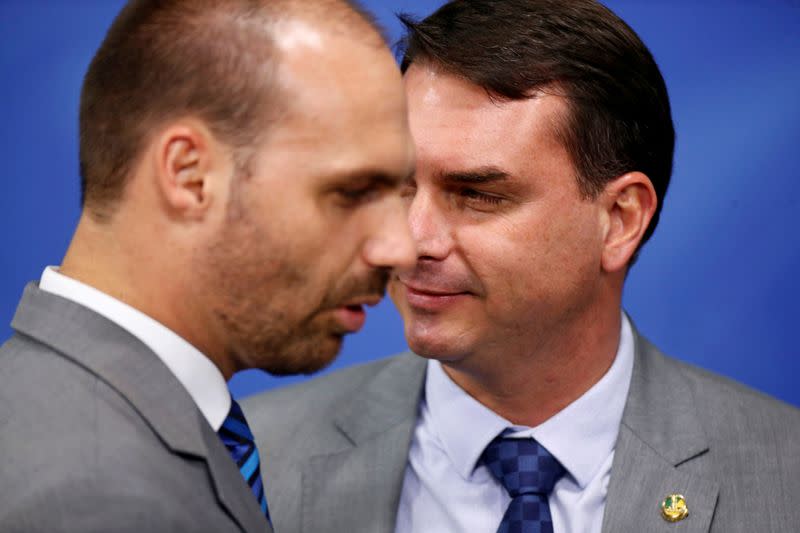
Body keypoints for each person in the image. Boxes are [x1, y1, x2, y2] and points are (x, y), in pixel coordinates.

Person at [243, 1, 800, 532]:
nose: (408, 241)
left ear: (620, 219)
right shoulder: (250, 459)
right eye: (400, 186)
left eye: (478, 195)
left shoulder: (784, 477)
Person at [0, 0, 416, 531]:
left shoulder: (75, 417)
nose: (401, 249)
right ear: (190, 176)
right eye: (353, 192)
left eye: (400, 192)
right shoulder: (94, 500)